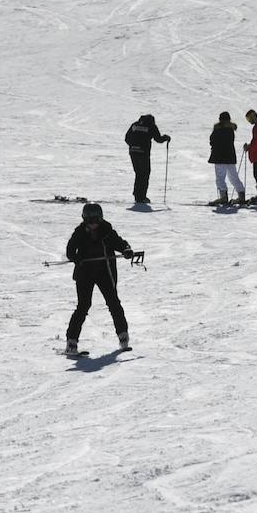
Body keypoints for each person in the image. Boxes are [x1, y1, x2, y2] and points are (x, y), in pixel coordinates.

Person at [63, 202, 133, 354]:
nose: (94, 225)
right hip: (85, 273)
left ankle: (123, 335)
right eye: (90, 221)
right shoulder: (79, 232)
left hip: (104, 272)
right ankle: (71, 341)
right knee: (83, 305)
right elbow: (70, 251)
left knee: (113, 302)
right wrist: (77, 258)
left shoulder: (107, 231)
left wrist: (126, 249)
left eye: (97, 221)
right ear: (85, 220)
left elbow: (119, 243)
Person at [124, 114, 170, 204]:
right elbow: (158, 139)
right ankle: (141, 197)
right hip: (143, 153)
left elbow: (127, 138)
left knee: (138, 173)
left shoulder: (135, 125)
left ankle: (137, 194)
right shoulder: (151, 125)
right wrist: (166, 138)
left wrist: (133, 145)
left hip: (133, 152)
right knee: (144, 174)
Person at [208, 111, 245, 205]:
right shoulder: (231, 129)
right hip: (230, 157)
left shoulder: (217, 129)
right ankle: (241, 196)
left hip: (219, 157)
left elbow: (212, 141)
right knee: (233, 177)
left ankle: (223, 197)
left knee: (220, 177)